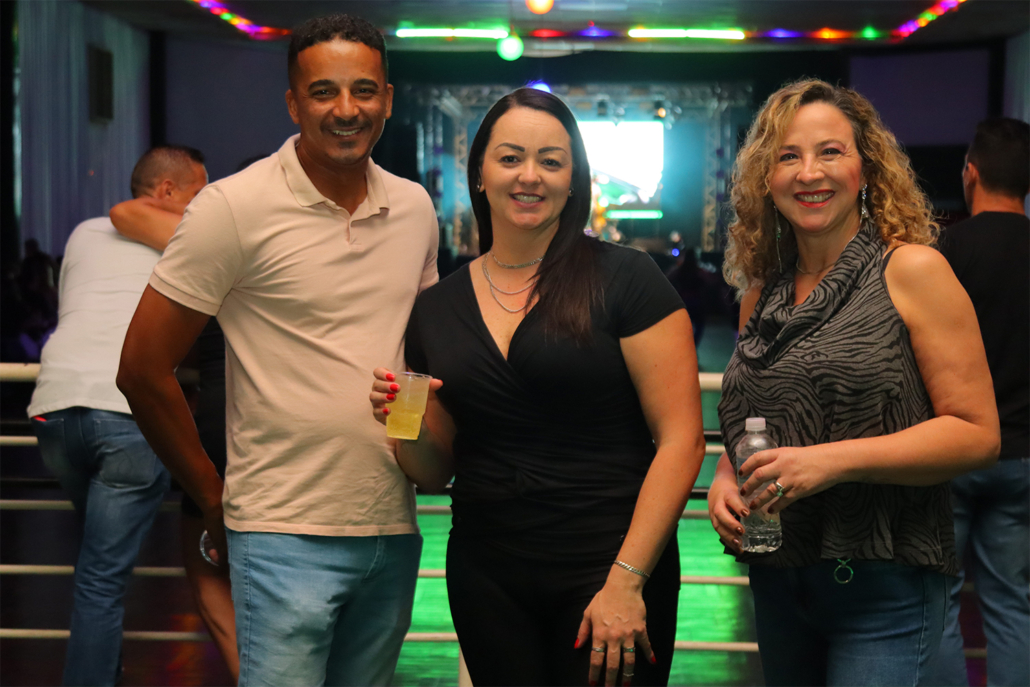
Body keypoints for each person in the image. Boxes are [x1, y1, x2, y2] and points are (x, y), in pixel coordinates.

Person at [116, 13, 438, 687]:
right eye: (323, 92)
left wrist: (413, 444)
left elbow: (415, 359)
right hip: (279, 532)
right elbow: (141, 369)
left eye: (363, 90)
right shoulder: (233, 207)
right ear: (293, 104)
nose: (346, 109)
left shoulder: (414, 208)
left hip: (390, 528)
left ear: (387, 98)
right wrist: (211, 494)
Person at [369, 88, 707, 687]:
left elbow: (682, 440)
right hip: (488, 576)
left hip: (610, 566)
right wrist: (406, 422)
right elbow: (432, 474)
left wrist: (628, 580)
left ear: (574, 179)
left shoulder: (627, 279)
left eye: (551, 161)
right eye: (510, 158)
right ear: (479, 173)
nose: (530, 176)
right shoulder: (436, 309)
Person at [706, 79, 1000, 687]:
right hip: (778, 575)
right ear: (766, 178)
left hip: (885, 584)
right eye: (788, 156)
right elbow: (755, 417)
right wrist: (727, 477)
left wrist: (828, 462)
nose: (809, 173)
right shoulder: (762, 293)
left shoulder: (912, 269)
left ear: (866, 167)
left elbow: (977, 434)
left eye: (830, 152)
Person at [26, 145, 208, 686]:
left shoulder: (83, 232)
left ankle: (105, 671)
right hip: (127, 415)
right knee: (101, 578)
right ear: (167, 191)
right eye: (200, 192)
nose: (207, 203)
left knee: (97, 565)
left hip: (54, 412)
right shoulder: (185, 242)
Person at [110, 182, 245, 681]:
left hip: (222, 423)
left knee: (210, 561)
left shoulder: (219, 233)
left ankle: (251, 675)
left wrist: (194, 208)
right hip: (283, 425)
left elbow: (125, 212)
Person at [924, 118, 1030, 687]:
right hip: (1023, 456)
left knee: (937, 604)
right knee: (1013, 603)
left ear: (970, 173)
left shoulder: (946, 251)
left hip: (954, 450)